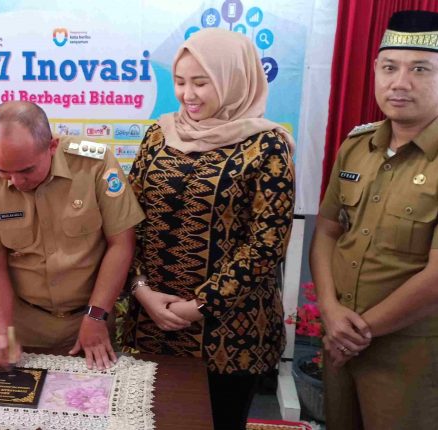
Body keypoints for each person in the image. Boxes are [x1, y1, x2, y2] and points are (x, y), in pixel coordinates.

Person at [123, 28, 295, 430]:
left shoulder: (267, 146)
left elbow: (267, 243)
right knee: (152, 419)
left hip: (228, 334)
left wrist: (200, 305)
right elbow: (128, 220)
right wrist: (141, 290)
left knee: (217, 422)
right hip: (153, 321)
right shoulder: (159, 135)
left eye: (201, 82)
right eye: (180, 81)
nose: (188, 94)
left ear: (233, 79)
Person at [311, 10, 438, 429]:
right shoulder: (357, 145)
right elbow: (327, 232)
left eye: (420, 69)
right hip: (339, 341)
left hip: (410, 353)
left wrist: (357, 332)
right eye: (389, 67)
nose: (400, 82)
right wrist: (330, 311)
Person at [0, 101, 145, 371]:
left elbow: (121, 244)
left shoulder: (94, 166)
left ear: (52, 146)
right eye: (5, 171)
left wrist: (96, 316)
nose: (16, 182)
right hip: (25, 325)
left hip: (91, 317)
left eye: (26, 170)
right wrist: (4, 331)